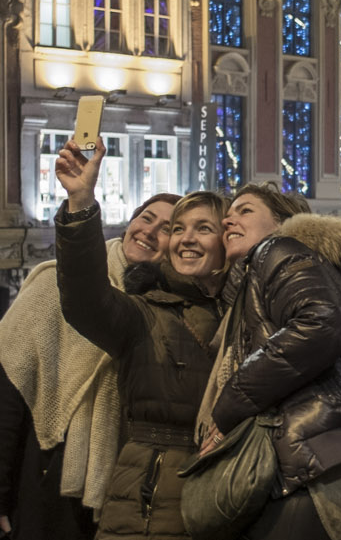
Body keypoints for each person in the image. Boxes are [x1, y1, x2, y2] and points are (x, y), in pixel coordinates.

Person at [0, 189, 182, 540]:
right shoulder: (54, 285)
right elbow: (6, 400)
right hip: (47, 476)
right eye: (146, 218)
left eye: (168, 228)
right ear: (130, 222)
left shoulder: (167, 306)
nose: (150, 232)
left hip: (126, 489)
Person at [197, 183, 341, 540]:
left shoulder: (277, 249)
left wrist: (227, 406)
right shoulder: (326, 274)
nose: (229, 220)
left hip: (303, 472)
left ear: (282, 222)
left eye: (245, 210)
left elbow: (321, 324)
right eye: (228, 214)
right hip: (336, 466)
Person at [52, 140, 229, 540]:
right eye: (178, 229)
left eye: (203, 228)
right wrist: (81, 200)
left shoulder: (245, 316)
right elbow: (85, 298)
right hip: (144, 504)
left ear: (227, 241)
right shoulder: (144, 312)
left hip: (223, 499)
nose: (184, 239)